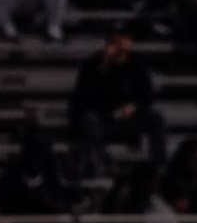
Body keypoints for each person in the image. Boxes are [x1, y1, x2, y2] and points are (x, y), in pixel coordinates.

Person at [70, 27, 166, 172]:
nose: (119, 44)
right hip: (103, 120)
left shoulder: (136, 65)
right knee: (88, 120)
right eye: (115, 41)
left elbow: (147, 96)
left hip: (127, 119)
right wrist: (103, 66)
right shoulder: (94, 65)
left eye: (123, 39)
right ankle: (105, 162)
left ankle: (159, 166)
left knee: (156, 119)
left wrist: (134, 107)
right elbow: (83, 98)